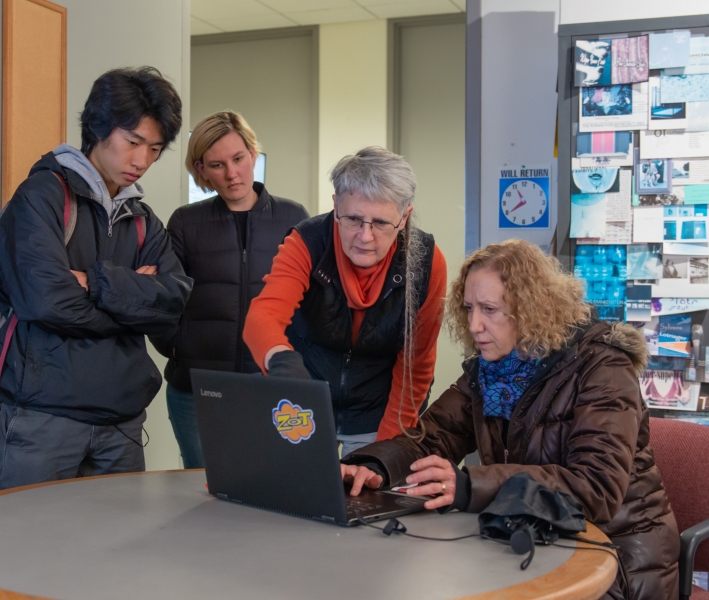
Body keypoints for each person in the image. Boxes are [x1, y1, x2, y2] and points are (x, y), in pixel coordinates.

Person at [340, 240, 679, 600]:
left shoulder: (604, 368)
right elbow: (431, 436)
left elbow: (597, 488)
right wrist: (372, 464)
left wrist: (472, 486)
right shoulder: (491, 370)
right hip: (534, 537)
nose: (474, 325)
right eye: (469, 308)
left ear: (531, 308)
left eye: (489, 309)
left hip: (618, 559)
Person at [0, 67, 193, 490]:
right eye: (132, 142)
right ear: (99, 129)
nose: (142, 160)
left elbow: (173, 304)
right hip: (45, 416)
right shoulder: (41, 196)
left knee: (112, 552)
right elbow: (46, 301)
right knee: (27, 547)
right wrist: (133, 302)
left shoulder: (142, 218)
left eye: (154, 148)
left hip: (122, 422)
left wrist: (96, 283)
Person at [243, 146, 447, 457]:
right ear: (336, 205)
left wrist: (387, 450)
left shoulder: (426, 263)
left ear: (404, 217)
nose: (365, 236)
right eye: (352, 219)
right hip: (302, 408)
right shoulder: (306, 242)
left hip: (376, 413)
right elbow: (264, 316)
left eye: (380, 223)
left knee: (368, 499)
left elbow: (416, 367)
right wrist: (282, 362)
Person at [150, 111, 308, 468]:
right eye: (217, 164)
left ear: (253, 154)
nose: (232, 173)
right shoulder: (185, 223)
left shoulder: (292, 217)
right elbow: (162, 298)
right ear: (201, 169)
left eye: (238, 159)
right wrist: (178, 347)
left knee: (271, 487)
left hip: (271, 388)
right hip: (198, 389)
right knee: (204, 489)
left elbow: (308, 300)